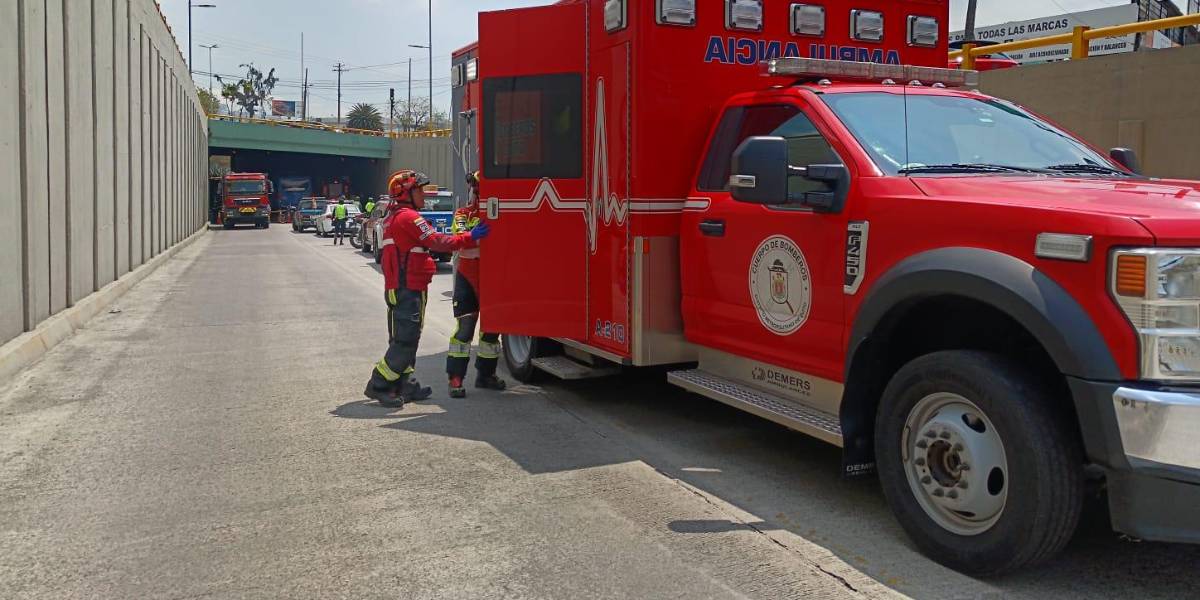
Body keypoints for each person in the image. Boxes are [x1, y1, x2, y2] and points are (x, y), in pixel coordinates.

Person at [364, 170, 490, 408]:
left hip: (405, 286)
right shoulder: (409, 218)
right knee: (405, 339)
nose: (424, 195)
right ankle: (379, 383)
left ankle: (405, 384)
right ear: (407, 194)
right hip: (407, 287)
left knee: (408, 336)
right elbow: (437, 241)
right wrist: (470, 236)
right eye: (420, 190)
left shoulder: (397, 217)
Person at [446, 172, 506, 398]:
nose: (474, 191)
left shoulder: (500, 211)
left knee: (492, 331)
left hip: (493, 277)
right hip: (468, 276)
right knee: (465, 330)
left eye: (477, 187)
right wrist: (474, 235)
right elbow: (459, 236)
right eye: (474, 187)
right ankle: (455, 378)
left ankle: (485, 375)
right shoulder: (463, 213)